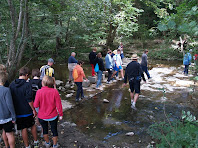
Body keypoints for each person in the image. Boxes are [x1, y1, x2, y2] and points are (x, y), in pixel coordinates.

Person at [9, 67, 38, 148]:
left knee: (23, 128)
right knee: (32, 125)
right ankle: (36, 142)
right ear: (26, 75)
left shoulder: (12, 84)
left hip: (17, 111)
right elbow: (29, 99)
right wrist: (34, 110)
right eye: (28, 76)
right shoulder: (27, 84)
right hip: (27, 110)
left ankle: (27, 145)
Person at [34, 76, 63, 148]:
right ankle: (55, 145)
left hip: (42, 116)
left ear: (43, 83)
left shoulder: (39, 92)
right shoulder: (55, 91)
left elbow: (35, 105)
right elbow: (59, 105)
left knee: (45, 130)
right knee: (54, 130)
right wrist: (61, 114)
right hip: (53, 116)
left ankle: (47, 143)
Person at [0, 72, 16, 148]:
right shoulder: (6, 90)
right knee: (9, 134)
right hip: (6, 116)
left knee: (3, 131)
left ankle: (6, 146)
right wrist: (13, 116)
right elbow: (10, 105)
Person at [29, 69, 42, 134]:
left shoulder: (29, 82)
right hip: (40, 101)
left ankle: (36, 125)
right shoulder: (41, 82)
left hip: (32, 100)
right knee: (40, 113)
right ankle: (40, 126)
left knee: (35, 113)